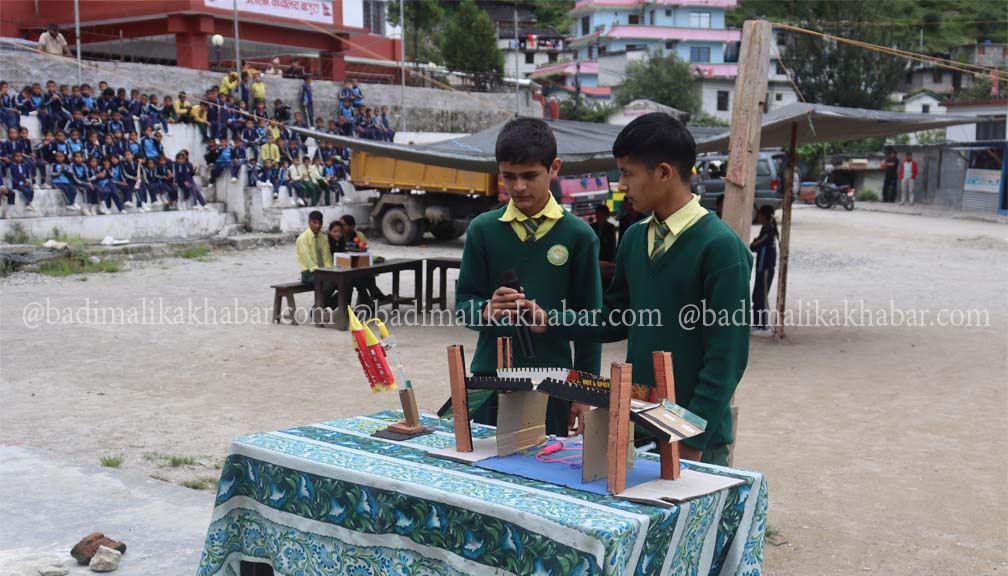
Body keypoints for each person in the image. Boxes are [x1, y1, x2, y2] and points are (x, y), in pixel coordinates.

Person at [532, 112, 752, 465]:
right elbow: (615, 319)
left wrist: (692, 434)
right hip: (640, 423)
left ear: (664, 173)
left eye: (628, 173)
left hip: (695, 439)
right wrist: (551, 319)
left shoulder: (720, 247)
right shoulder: (635, 238)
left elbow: (727, 355)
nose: (621, 185)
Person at [454, 117, 603, 437]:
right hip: (489, 381)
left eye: (530, 175)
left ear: (554, 168)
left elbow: (591, 321)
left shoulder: (579, 236)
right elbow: (464, 303)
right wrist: (485, 310)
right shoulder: (483, 230)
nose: (519, 186)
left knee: (546, 476)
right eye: (509, 176)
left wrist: (585, 390)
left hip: (555, 387)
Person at [295, 211, 335, 306]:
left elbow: (327, 258)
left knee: (340, 283)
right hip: (309, 273)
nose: (317, 226)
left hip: (324, 272)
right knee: (328, 285)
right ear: (309, 222)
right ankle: (317, 308)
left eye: (320, 223)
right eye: (315, 222)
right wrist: (322, 274)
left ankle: (323, 306)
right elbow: (308, 260)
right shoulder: (303, 238)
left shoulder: (323, 238)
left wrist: (330, 271)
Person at [749, 205, 778, 333]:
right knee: (757, 296)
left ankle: (764, 325)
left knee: (762, 297)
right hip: (761, 268)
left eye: (759, 214)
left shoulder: (768, 231)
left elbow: (754, 246)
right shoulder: (765, 229)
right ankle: (757, 323)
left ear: (764, 216)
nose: (758, 217)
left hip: (766, 268)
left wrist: (754, 242)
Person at [591, 203, 617, 287]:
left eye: (601, 215)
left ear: (606, 216)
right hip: (595, 258)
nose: (599, 218)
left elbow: (612, 246)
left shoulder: (610, 228)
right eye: (598, 215)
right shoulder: (592, 227)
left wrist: (611, 262)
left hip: (606, 260)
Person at [7, 150, 36, 215]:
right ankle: (30, 203)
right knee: (24, 190)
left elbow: (27, 175)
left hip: (24, 182)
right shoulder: (11, 166)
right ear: (14, 157)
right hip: (16, 184)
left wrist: (27, 181)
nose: (18, 158)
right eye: (17, 156)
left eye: (20, 156)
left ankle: (28, 204)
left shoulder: (24, 165)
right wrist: (20, 183)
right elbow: (11, 177)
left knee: (31, 190)